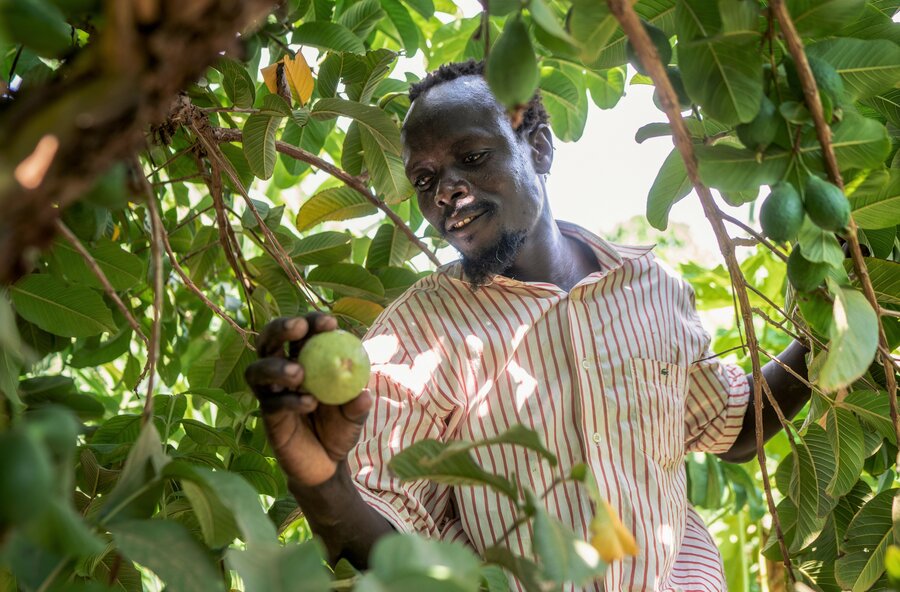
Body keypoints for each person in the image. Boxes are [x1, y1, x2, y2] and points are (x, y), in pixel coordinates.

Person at [244, 60, 811, 591]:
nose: (445, 191)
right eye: (424, 178)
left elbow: (732, 425)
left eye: (471, 157)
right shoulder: (418, 332)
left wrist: (826, 341)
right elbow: (383, 543)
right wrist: (323, 484)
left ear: (538, 148)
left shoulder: (651, 288)